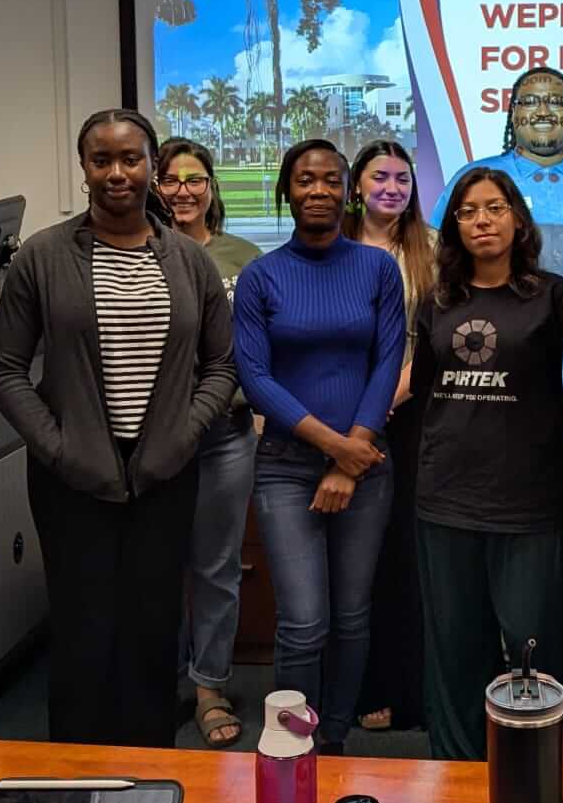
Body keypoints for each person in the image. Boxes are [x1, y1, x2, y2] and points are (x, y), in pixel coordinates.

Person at [0, 111, 234, 747]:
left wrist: (186, 435)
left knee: (153, 630)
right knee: (81, 627)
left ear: (153, 165)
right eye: (102, 160)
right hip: (73, 478)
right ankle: (74, 777)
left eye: (131, 159)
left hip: (165, 475)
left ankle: (152, 770)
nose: (117, 173)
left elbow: (223, 365)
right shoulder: (43, 255)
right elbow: (5, 367)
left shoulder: (189, 261)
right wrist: (57, 447)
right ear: (85, 167)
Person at [410, 167, 563, 759]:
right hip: (445, 498)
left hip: (527, 502)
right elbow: (429, 395)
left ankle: (543, 769)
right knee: (455, 648)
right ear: (453, 227)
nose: (481, 221)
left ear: (516, 217)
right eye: (467, 211)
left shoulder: (553, 296)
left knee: (537, 643)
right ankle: (456, 769)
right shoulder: (437, 304)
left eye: (493, 208)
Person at [234, 140, 405, 752]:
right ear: (287, 191)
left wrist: (353, 453)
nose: (318, 191)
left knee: (352, 617)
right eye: (305, 180)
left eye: (331, 180)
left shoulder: (378, 268)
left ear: (349, 190)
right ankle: (291, 740)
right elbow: (255, 378)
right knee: (304, 621)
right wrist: (336, 447)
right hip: (286, 467)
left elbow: (388, 359)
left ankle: (332, 740)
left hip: (366, 466)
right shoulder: (260, 276)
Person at [156, 137, 264, 748]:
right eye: (170, 180)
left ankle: (209, 686)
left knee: (217, 566)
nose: (182, 192)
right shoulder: (140, 249)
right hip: (155, 441)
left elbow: (257, 347)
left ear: (212, 187)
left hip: (225, 436)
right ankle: (160, 679)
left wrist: (260, 414)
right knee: (157, 562)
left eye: (195, 179)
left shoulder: (242, 256)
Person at [344, 140, 435, 735]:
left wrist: (391, 396)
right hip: (343, 421)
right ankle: (364, 685)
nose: (392, 188)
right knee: (359, 560)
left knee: (409, 555)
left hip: (414, 415)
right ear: (357, 185)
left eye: (403, 178)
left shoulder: (432, 249)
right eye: (380, 176)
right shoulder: (336, 246)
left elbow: (438, 334)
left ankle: (413, 690)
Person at [429, 66, 563, 277]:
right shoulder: (473, 180)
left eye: (556, 102)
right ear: (513, 114)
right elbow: (436, 257)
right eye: (529, 102)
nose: (543, 112)